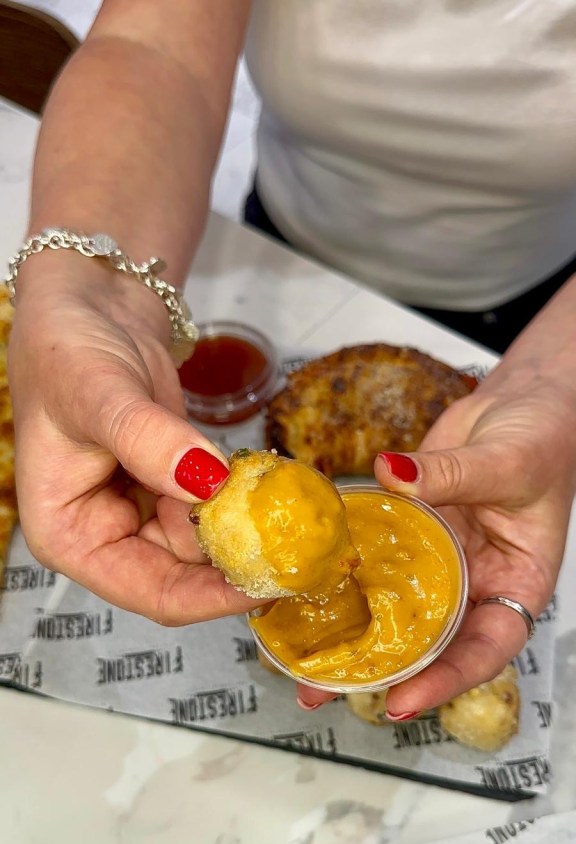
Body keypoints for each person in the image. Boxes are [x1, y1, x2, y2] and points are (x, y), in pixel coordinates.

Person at [7, 1, 576, 720]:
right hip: (280, 248)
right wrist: (89, 300)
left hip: (541, 304)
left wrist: (555, 380)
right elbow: (157, 52)